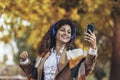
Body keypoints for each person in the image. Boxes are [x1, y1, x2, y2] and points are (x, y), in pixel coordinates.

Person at [19, 19, 98, 80]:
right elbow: (33, 74)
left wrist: (93, 47)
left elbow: (87, 67)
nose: (66, 33)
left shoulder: (75, 54)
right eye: (62, 30)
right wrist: (25, 60)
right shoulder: (44, 55)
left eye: (69, 32)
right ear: (55, 33)